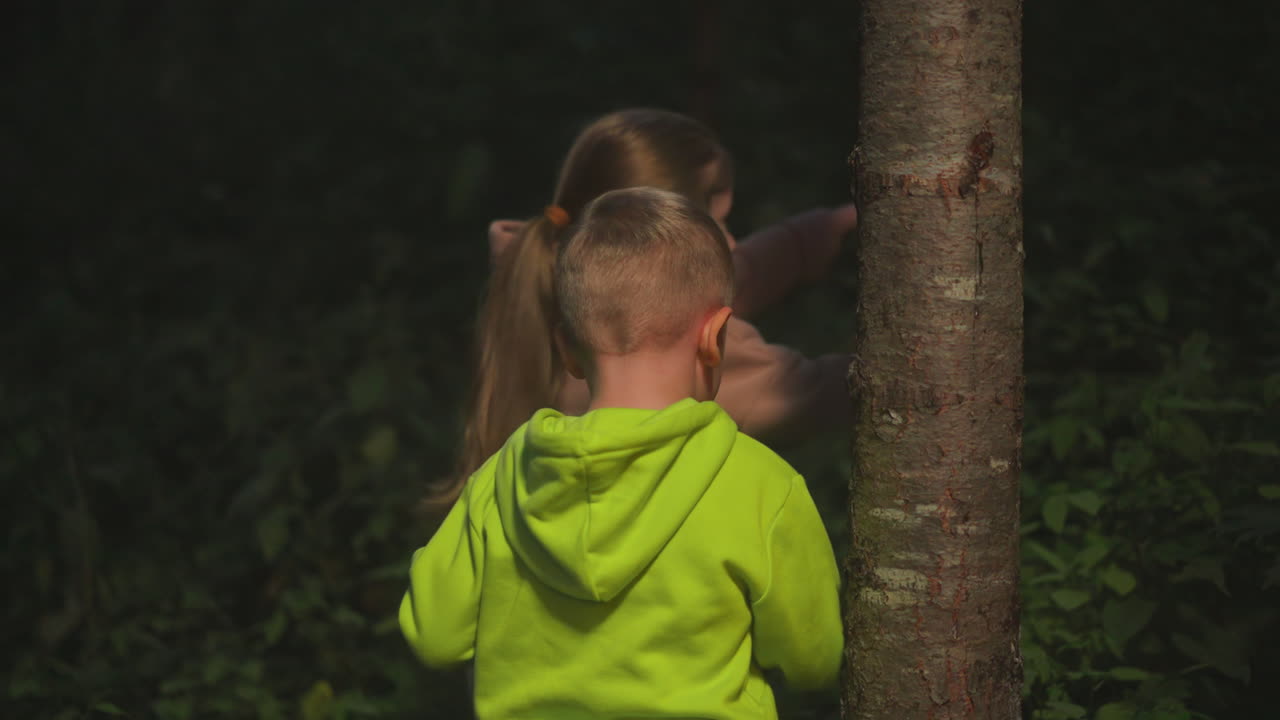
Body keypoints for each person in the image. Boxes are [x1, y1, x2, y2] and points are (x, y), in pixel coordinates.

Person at [400, 187, 843, 719]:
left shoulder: (502, 481)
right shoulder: (762, 487)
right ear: (715, 336)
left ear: (567, 349)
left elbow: (435, 636)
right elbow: (813, 660)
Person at [432, 108, 855, 511]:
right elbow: (808, 390)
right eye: (714, 212)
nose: (729, 239)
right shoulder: (677, 362)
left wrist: (815, 235)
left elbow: (734, 274)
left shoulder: (546, 278)